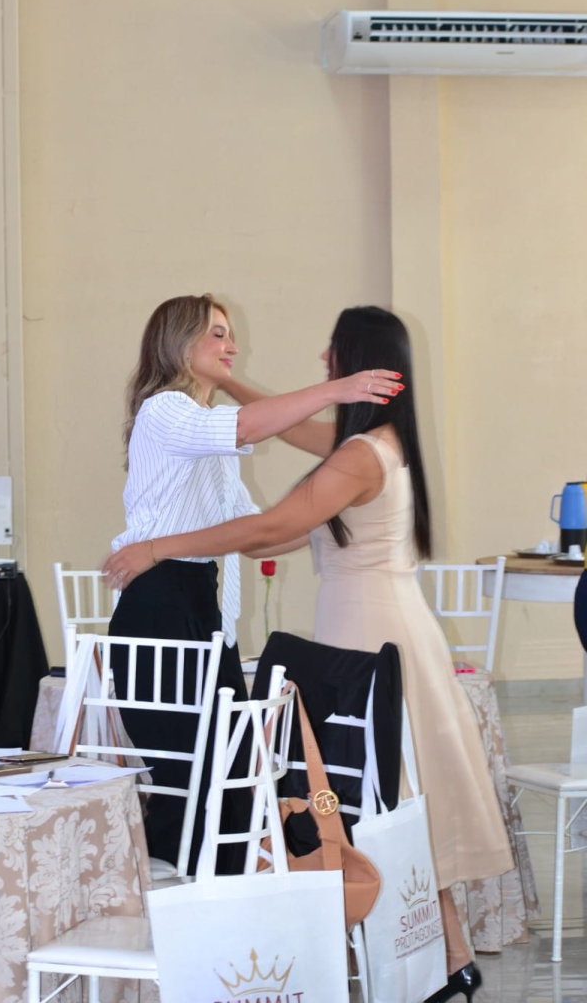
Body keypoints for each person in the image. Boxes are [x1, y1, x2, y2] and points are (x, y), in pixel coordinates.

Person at [104, 305, 512, 1000]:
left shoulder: (359, 453)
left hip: (367, 628)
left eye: (334, 354)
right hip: (369, 621)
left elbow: (270, 525)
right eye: (216, 333)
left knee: (372, 793)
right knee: (381, 793)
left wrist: (158, 546)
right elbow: (277, 448)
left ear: (360, 365)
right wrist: (245, 387)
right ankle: (446, 955)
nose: (324, 360)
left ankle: (391, 953)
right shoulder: (373, 443)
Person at [106, 293, 402, 874]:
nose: (232, 346)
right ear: (179, 343)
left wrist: (345, 527)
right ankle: (183, 894)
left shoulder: (209, 442)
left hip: (196, 600)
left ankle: (221, 889)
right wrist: (336, 391)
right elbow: (247, 424)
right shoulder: (164, 409)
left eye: (230, 334)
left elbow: (258, 534)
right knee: (187, 768)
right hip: (157, 603)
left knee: (227, 762)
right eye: (217, 334)